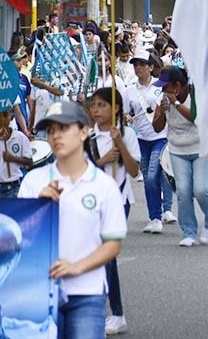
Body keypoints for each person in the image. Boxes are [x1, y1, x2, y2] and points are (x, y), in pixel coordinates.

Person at [18, 101, 126, 339]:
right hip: (38, 291)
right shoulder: (33, 182)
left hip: (87, 293)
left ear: (84, 131)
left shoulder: (104, 185)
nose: (56, 136)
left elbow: (113, 243)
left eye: (64, 128)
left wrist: (77, 267)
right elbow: (18, 238)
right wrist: (38, 206)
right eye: (51, 130)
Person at [85, 88, 141, 336]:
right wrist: (102, 160)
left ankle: (108, 312)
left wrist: (120, 144)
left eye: (102, 105)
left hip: (119, 199)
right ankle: (111, 312)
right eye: (93, 105)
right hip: (93, 201)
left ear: (116, 108)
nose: (96, 110)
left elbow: (134, 171)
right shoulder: (88, 137)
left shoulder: (127, 134)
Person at [152, 66, 208, 247]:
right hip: (178, 150)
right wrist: (160, 112)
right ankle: (188, 232)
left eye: (165, 87)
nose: (163, 91)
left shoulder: (199, 94)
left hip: (204, 148)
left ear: (177, 86)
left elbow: (196, 118)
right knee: (183, 192)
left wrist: (175, 104)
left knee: (201, 190)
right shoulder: (164, 99)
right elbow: (157, 128)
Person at [126, 50, 177, 233]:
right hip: (141, 139)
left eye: (141, 64)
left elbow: (170, 107)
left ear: (150, 67)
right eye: (135, 65)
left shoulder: (159, 87)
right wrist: (126, 117)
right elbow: (126, 112)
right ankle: (154, 217)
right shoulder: (129, 90)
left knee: (152, 175)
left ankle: (162, 213)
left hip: (160, 137)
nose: (138, 68)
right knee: (149, 180)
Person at [0, 109, 32, 198]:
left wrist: (12, 158)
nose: (2, 119)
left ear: (12, 117)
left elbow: (29, 163)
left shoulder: (20, 137)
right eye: (0, 116)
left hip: (14, 187)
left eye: (5, 115)